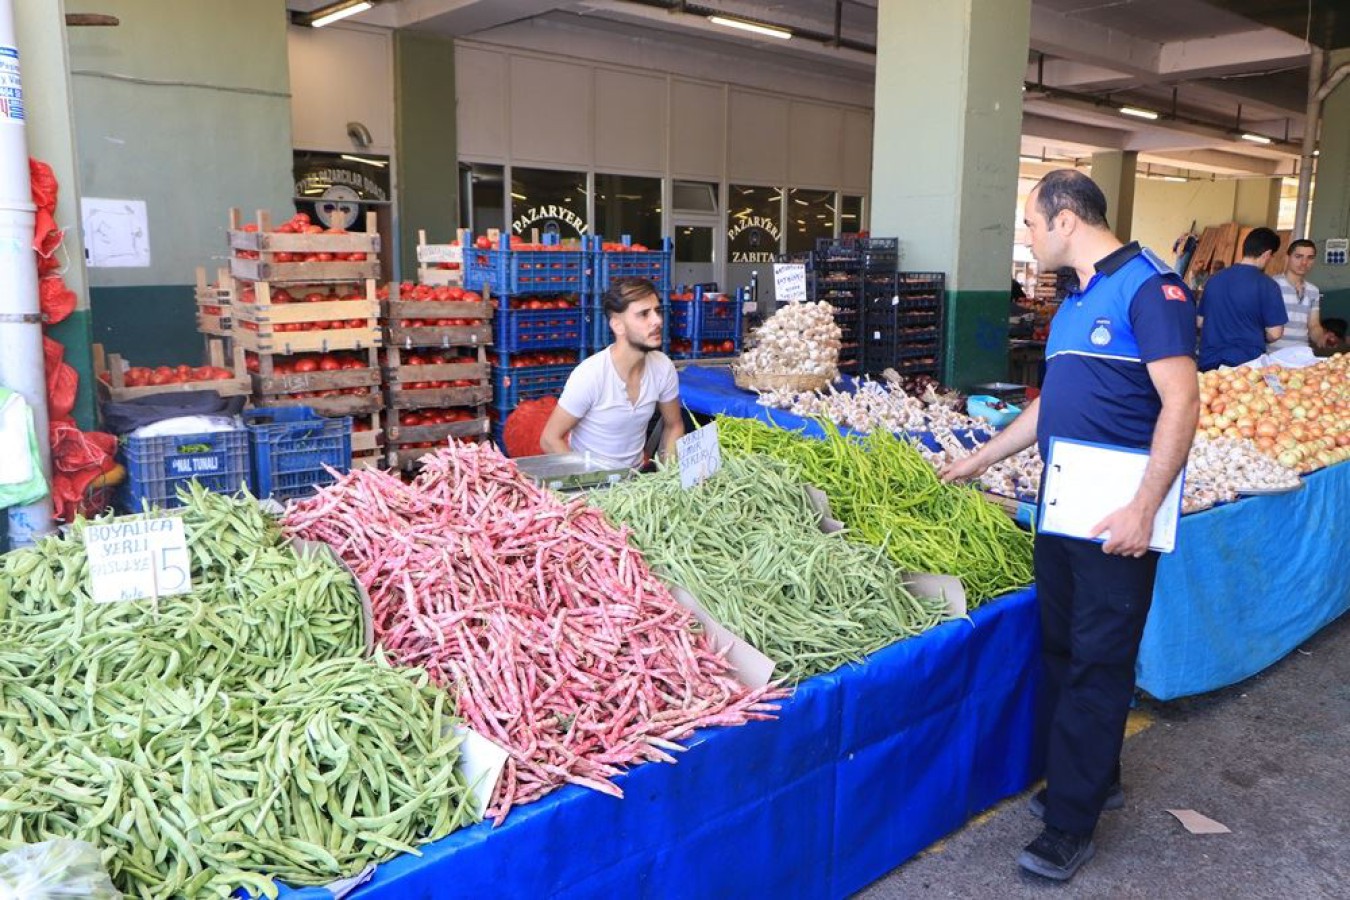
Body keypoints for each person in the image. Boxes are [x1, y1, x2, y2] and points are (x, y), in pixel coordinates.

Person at [943, 169, 1199, 882]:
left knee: (1097, 661)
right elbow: (1050, 404)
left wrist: (1145, 506)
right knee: (1063, 648)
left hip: (1119, 515)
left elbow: (1182, 404)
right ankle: (1099, 775)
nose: (1027, 238)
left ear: (1064, 219)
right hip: (1064, 510)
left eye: (1030, 223)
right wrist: (980, 459)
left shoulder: (1152, 288)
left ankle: (1070, 824)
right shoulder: (1075, 301)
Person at [539, 277, 684, 468]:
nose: (657, 320)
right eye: (644, 314)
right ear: (617, 325)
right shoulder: (590, 375)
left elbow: (674, 425)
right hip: (592, 486)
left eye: (657, 311)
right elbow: (549, 439)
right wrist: (586, 482)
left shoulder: (663, 367)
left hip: (635, 484)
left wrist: (669, 477)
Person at [1195, 228, 1286, 370]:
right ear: (1267, 254)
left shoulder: (1214, 280)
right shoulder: (1268, 285)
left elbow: (1200, 322)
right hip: (1246, 365)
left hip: (1209, 362)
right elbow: (1275, 333)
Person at [1270, 239, 1333, 351]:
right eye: (1298, 256)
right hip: (1274, 354)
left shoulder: (1313, 290)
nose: (1304, 262)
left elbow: (1314, 325)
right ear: (1287, 258)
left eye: (1310, 258)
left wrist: (1321, 338)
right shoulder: (1272, 285)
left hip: (1302, 353)